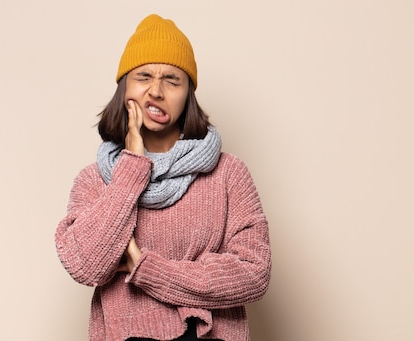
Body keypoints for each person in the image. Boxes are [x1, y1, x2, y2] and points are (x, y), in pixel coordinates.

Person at [54, 14, 271, 341]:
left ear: (188, 95)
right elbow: (86, 265)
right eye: (143, 77)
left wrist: (149, 270)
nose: (156, 91)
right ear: (125, 88)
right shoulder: (95, 180)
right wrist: (131, 168)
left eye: (172, 80)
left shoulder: (228, 174)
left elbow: (254, 274)